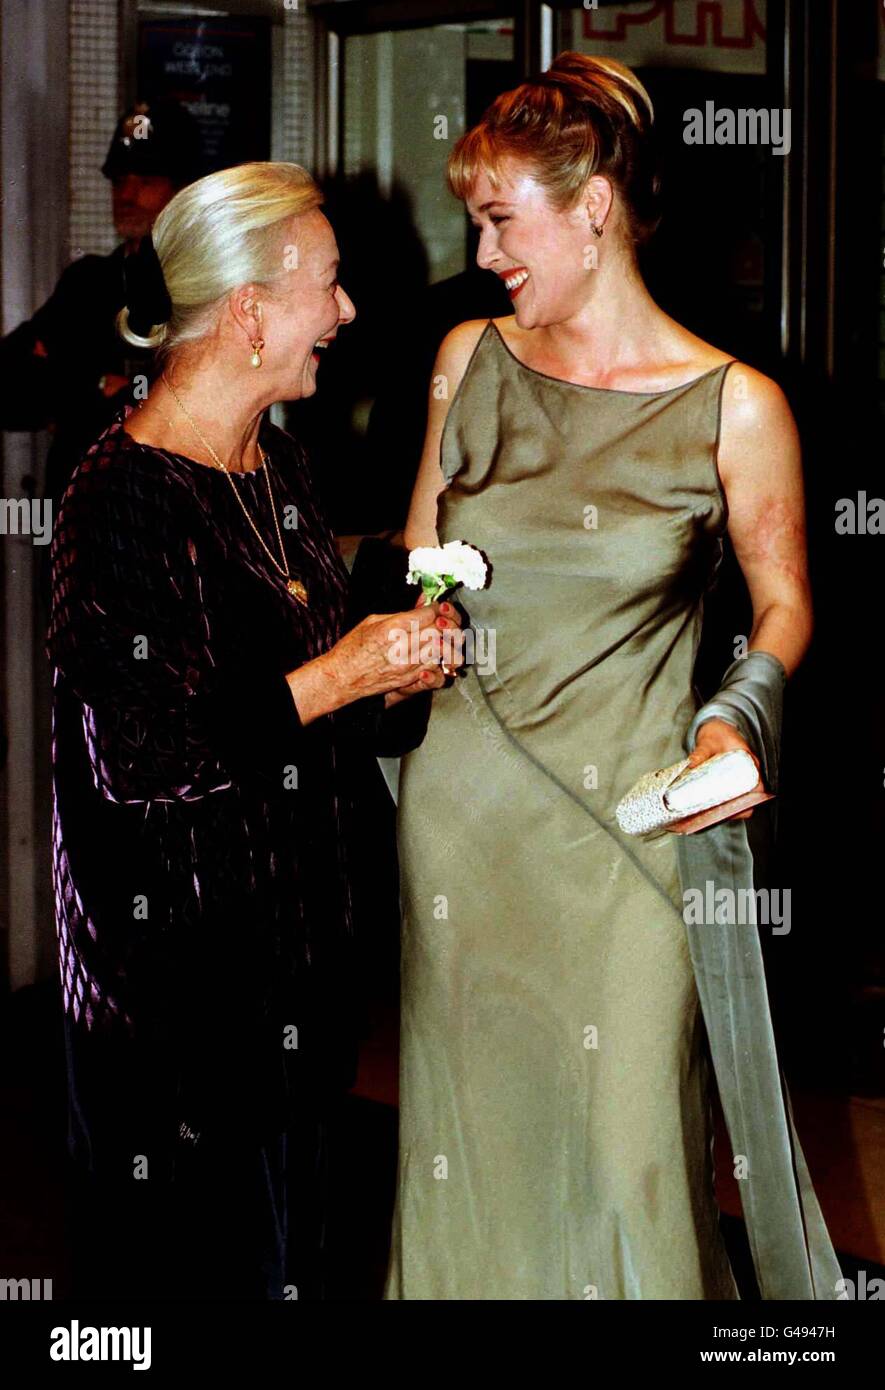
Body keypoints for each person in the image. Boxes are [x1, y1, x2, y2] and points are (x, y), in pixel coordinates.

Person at [385, 53, 824, 1299]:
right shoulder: (468, 358)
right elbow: (423, 552)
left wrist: (742, 717)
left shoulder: (738, 405)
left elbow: (785, 603)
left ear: (592, 207)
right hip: (466, 819)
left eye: (497, 218)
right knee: (466, 1156)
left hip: (630, 833)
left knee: (630, 1155)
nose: (481, 254)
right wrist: (410, 620)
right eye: (476, 220)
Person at [46, 160, 463, 1300]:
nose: (347, 312)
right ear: (249, 312)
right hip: (172, 1021)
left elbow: (309, 724)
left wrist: (397, 673)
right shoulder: (119, 492)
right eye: (328, 286)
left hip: (293, 997)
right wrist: (340, 672)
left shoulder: (275, 466)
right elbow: (149, 754)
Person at [0, 100, 200, 517]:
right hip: (77, 520)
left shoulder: (203, 288)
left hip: (166, 520)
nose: (127, 195)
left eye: (145, 179)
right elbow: (8, 386)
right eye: (119, 180)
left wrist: (69, 381)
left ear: (183, 191)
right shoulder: (87, 282)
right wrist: (96, 384)